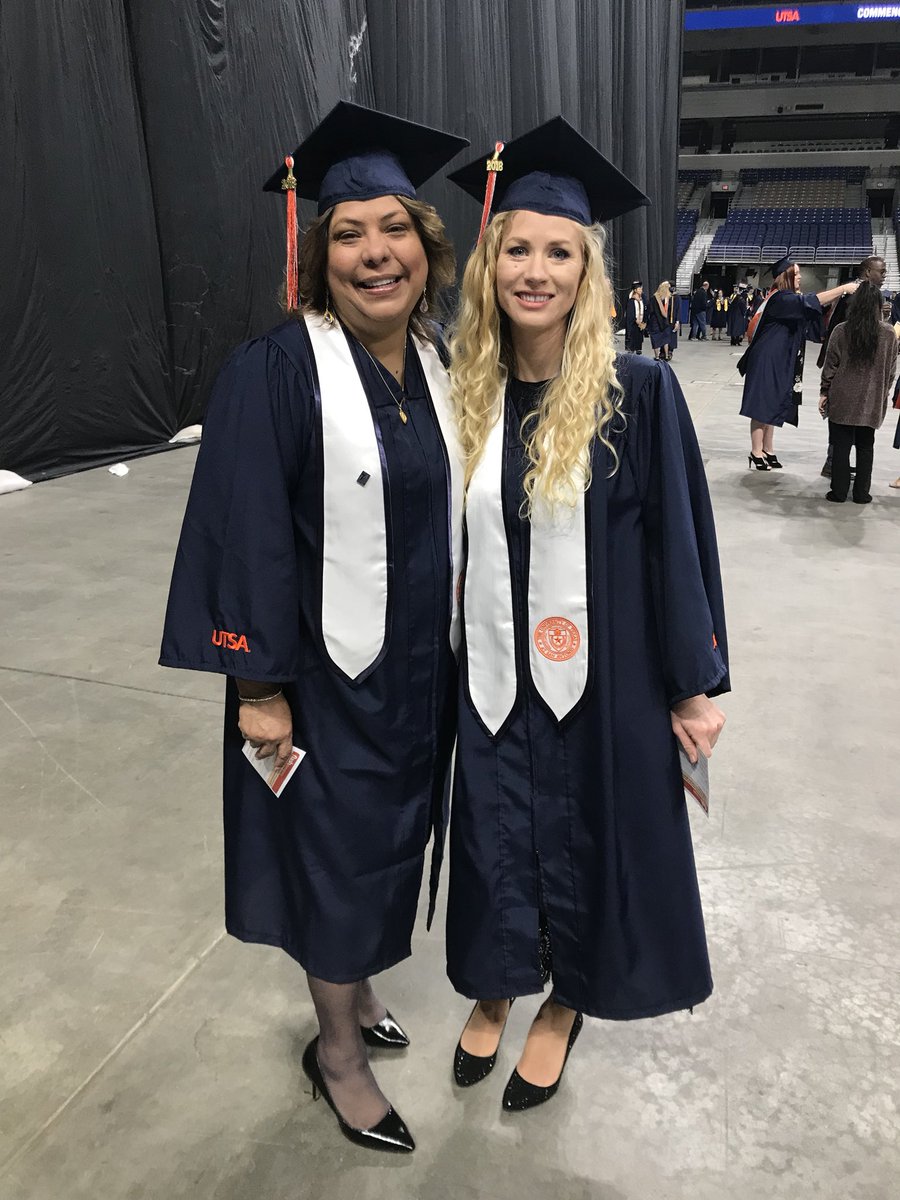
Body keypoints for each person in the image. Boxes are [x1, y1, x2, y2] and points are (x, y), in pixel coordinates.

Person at [159, 102, 470, 1155]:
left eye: (395, 230)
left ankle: (359, 991)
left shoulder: (435, 368)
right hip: (322, 688)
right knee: (334, 864)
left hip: (418, 678)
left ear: (426, 251)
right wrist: (257, 688)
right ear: (318, 251)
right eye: (349, 233)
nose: (375, 253)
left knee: (386, 852)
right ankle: (335, 1053)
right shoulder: (276, 370)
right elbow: (243, 533)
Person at [445, 118, 729, 1113]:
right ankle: (494, 982)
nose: (535, 270)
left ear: (586, 270)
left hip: (601, 679)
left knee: (592, 832)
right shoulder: (467, 397)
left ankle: (565, 1003)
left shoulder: (637, 393)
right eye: (516, 249)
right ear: (490, 265)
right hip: (490, 674)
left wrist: (692, 687)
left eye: (557, 252)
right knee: (494, 830)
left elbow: (678, 549)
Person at [738, 256, 858, 470]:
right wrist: (844, 288)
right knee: (762, 404)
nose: (800, 277)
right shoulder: (780, 299)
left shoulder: (790, 298)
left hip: (781, 358)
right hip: (767, 358)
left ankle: (768, 448)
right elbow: (809, 302)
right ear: (786, 277)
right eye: (797, 273)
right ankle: (756, 451)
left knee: (774, 402)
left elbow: (813, 312)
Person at [818, 282, 898, 503]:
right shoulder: (888, 333)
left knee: (841, 445)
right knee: (866, 445)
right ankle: (862, 493)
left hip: (842, 397)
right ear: (879, 305)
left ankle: (839, 491)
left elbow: (830, 366)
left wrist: (825, 391)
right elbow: (891, 370)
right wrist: (882, 392)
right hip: (871, 399)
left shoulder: (841, 330)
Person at [816, 256, 887, 478]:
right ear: (867, 272)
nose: (884, 275)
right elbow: (840, 332)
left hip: (863, 371)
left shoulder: (869, 295)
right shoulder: (852, 295)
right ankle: (833, 463)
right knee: (842, 422)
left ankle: (837, 465)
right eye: (881, 271)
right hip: (849, 368)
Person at [647, 279, 678, 362]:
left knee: (655, 338)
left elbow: (650, 310)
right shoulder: (667, 298)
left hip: (655, 321)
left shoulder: (654, 298)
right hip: (664, 321)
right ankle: (666, 355)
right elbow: (666, 312)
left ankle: (657, 356)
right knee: (665, 338)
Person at [624, 280, 647, 353]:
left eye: (641, 289)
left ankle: (638, 348)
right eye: (639, 289)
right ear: (635, 290)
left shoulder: (642, 299)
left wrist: (644, 321)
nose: (641, 290)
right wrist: (637, 321)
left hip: (640, 323)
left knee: (639, 337)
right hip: (633, 323)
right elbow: (630, 314)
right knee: (632, 338)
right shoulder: (631, 301)